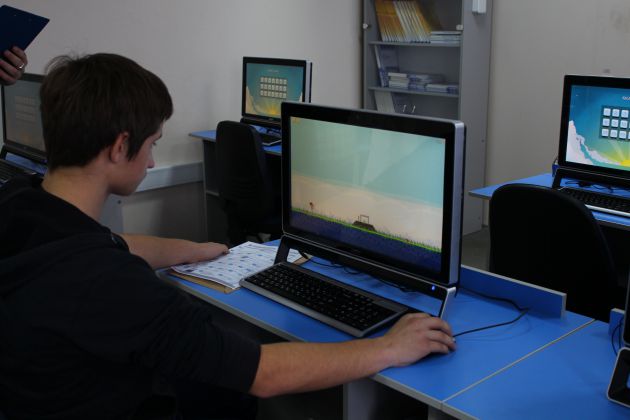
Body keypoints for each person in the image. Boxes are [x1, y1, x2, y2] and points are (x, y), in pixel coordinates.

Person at [0, 53, 456, 420]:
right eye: (153, 144)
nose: (152, 162)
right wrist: (388, 347)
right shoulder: (115, 286)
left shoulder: (20, 204)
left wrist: (197, 250)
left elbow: (109, 244)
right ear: (120, 147)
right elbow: (264, 374)